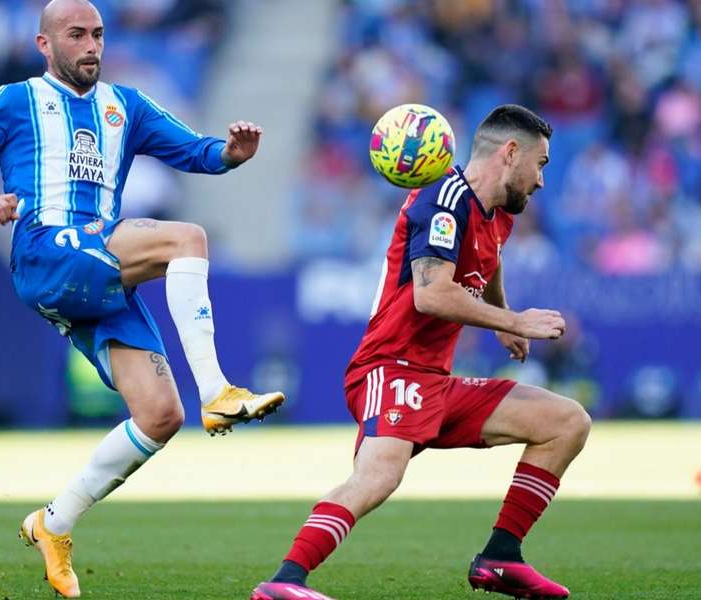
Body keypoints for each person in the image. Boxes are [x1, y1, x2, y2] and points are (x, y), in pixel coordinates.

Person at [0, 0, 284, 596]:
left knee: (159, 416)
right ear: (45, 45)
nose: (91, 45)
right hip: (49, 250)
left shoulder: (127, 106)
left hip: (96, 269)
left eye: (97, 34)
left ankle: (54, 521)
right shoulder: (15, 101)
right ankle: (218, 391)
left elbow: (195, 151)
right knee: (187, 238)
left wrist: (230, 155)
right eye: (76, 35)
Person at [251, 105, 591, 600]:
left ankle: (501, 557)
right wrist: (516, 321)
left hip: (436, 379)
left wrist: (502, 316)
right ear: (510, 152)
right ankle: (284, 583)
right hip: (390, 368)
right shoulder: (443, 199)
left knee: (566, 422)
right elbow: (430, 294)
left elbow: (488, 262)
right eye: (540, 164)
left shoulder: (498, 215)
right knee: (378, 477)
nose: (541, 181)